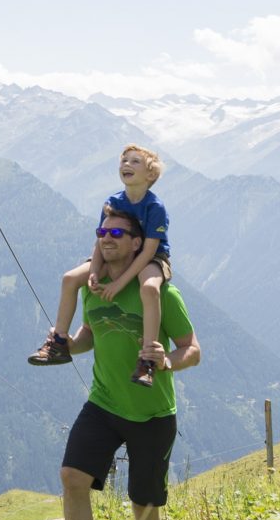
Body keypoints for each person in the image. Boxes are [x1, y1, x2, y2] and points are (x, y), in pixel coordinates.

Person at [43, 208, 201, 520]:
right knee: (72, 477)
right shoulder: (92, 287)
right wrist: (64, 343)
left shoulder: (162, 293)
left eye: (118, 232)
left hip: (152, 414)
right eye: (102, 231)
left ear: (138, 243)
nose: (107, 238)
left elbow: (193, 350)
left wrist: (167, 361)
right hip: (104, 403)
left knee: (143, 504)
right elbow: (90, 336)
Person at [29, 145, 173, 387]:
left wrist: (118, 283)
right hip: (114, 254)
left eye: (135, 161)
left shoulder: (155, 207)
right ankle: (59, 342)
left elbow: (148, 250)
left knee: (149, 288)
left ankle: (147, 360)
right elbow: (101, 240)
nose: (126, 164)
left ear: (150, 175)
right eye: (124, 160)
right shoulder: (113, 201)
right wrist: (95, 271)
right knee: (70, 278)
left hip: (152, 257)